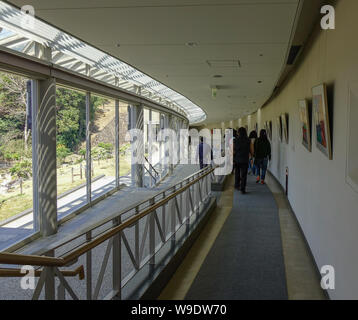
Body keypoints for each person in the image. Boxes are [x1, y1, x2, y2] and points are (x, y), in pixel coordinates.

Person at [234, 127, 251, 194]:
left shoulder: (235, 140)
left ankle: (237, 185)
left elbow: (233, 151)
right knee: (244, 175)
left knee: (237, 173)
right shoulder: (248, 140)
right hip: (245, 159)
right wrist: (251, 156)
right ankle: (242, 189)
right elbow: (252, 150)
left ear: (238, 132)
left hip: (237, 159)